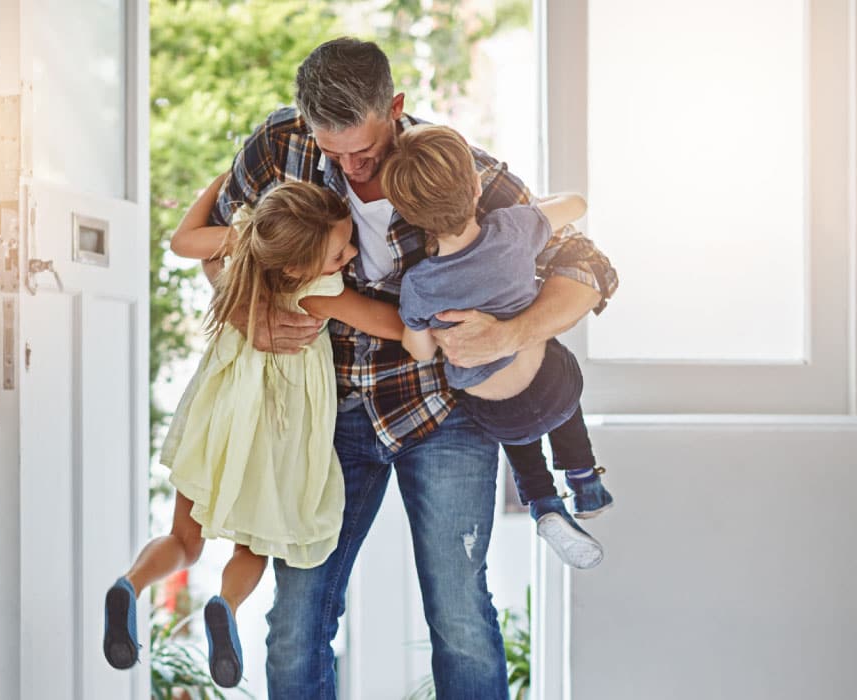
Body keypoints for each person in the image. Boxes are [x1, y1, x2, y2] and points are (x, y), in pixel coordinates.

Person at [199, 38, 618, 699]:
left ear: (393, 107)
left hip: (442, 412)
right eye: (331, 152)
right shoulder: (279, 147)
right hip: (323, 412)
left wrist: (512, 330)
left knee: (459, 615)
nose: (349, 167)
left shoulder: (460, 174)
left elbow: (590, 268)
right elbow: (226, 246)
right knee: (295, 621)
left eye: (362, 151)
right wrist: (245, 313)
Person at [102, 179, 406, 688]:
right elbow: (390, 323)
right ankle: (225, 604)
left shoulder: (244, 246)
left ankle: (130, 585)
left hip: (216, 419)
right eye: (339, 253)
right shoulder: (317, 292)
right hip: (273, 434)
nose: (351, 254)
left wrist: (219, 184)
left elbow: (182, 241)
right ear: (296, 267)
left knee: (184, 539)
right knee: (253, 547)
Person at [382, 124, 616, 570]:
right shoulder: (513, 228)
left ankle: (543, 500)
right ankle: (585, 479)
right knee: (555, 368)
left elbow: (419, 352)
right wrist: (543, 206)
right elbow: (577, 205)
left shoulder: (419, 285)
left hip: (497, 415)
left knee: (508, 418)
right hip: (552, 390)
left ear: (410, 217)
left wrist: (428, 327)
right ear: (475, 187)